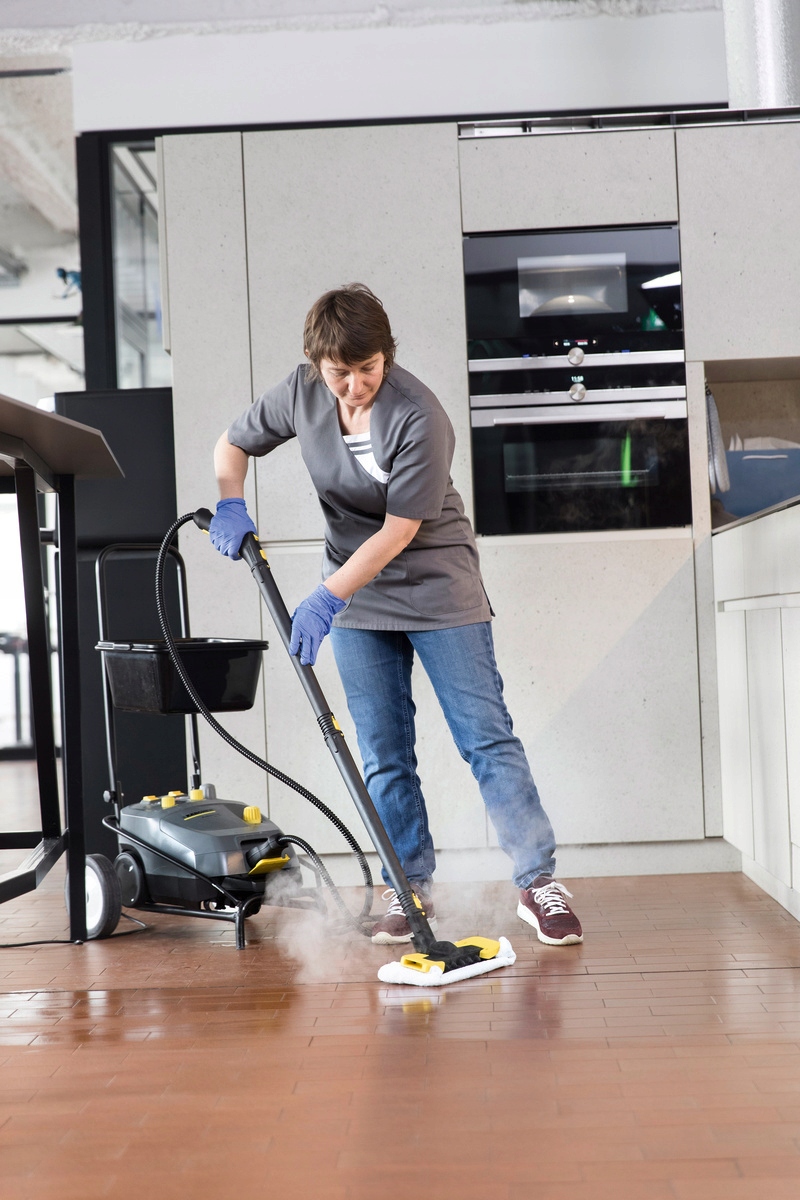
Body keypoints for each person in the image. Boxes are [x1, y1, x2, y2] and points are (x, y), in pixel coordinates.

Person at [210, 283, 582, 948]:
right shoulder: (300, 393)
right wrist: (230, 500)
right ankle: (407, 887)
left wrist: (326, 597)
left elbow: (400, 530)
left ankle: (537, 881)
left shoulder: (420, 416)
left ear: (388, 355)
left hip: (437, 584)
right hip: (359, 593)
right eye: (340, 373)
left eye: (369, 368)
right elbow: (232, 444)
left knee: (486, 739)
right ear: (315, 364)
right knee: (383, 752)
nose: (355, 386)